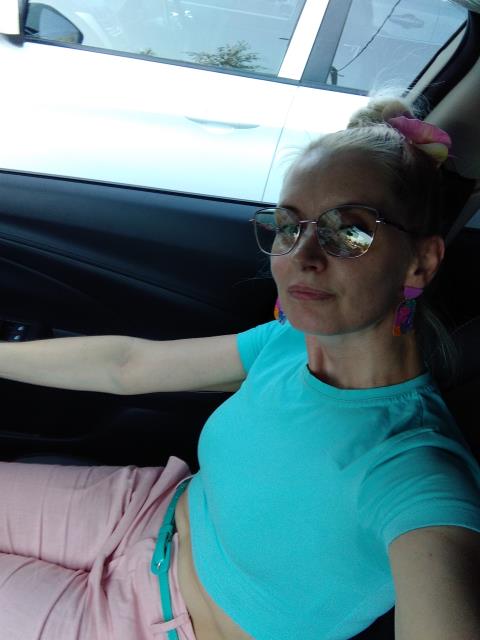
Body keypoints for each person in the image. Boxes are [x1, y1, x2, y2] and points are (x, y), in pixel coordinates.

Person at [1, 96, 480, 640]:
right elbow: (129, 364)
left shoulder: (415, 469)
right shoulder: (289, 342)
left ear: (421, 261)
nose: (303, 255)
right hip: (143, 510)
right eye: (289, 227)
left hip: (153, 625)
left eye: (350, 231)